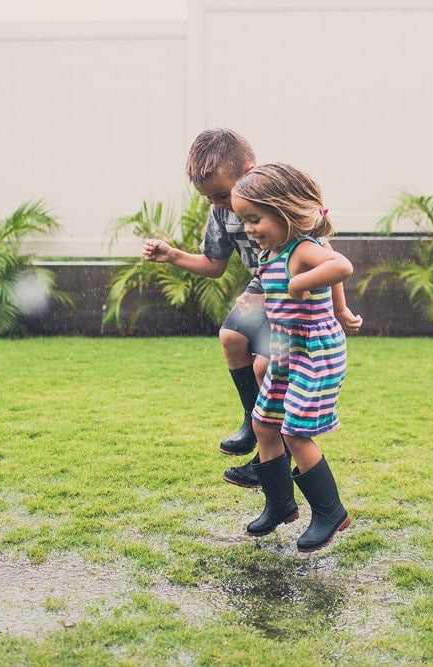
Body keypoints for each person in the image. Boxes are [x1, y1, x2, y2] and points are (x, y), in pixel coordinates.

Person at [143, 129, 361, 489]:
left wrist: (339, 309)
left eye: (221, 194)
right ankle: (253, 422)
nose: (217, 203)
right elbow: (215, 265)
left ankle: (269, 449)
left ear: (248, 170)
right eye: (209, 198)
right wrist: (173, 256)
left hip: (289, 294)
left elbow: (329, 258)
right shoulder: (220, 211)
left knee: (264, 366)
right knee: (230, 335)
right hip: (262, 287)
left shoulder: (276, 201)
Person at [230, 163, 353, 553]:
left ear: (284, 211)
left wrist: (304, 284)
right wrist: (254, 301)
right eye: (244, 220)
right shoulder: (272, 253)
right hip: (284, 346)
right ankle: (280, 503)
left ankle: (330, 512)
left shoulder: (303, 249)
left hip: (315, 351)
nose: (249, 228)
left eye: (255, 218)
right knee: (264, 423)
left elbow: (341, 266)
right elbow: (283, 290)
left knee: (294, 431)